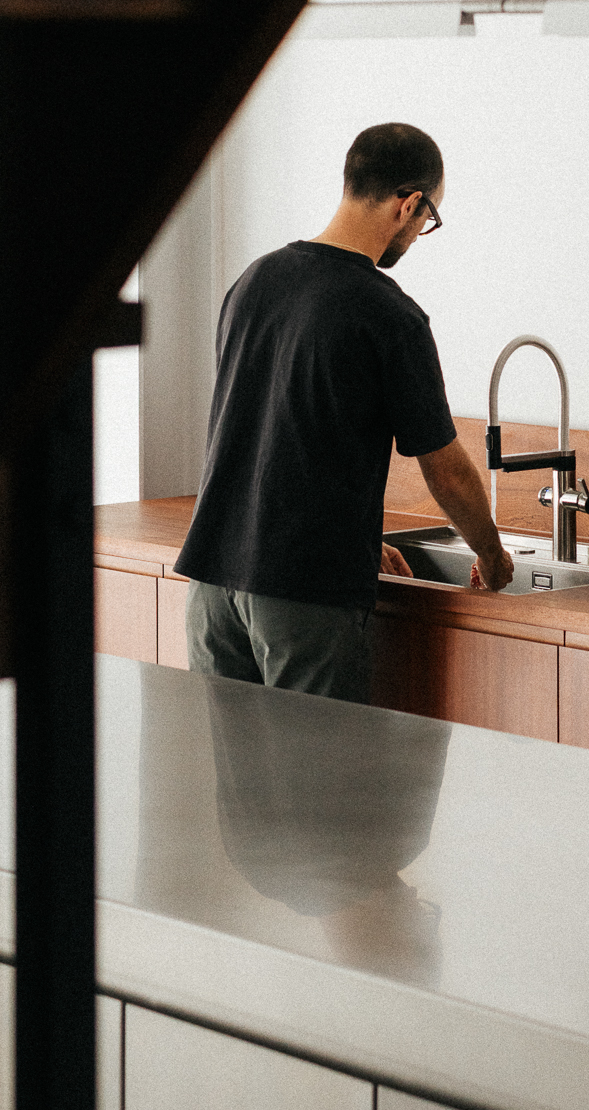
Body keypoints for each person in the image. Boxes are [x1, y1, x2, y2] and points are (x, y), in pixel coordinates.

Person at [175, 120, 514, 699]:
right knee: (316, 786)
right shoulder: (388, 316)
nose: (419, 234)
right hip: (302, 598)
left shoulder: (254, 281)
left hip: (212, 584)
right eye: (428, 221)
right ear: (410, 205)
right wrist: (491, 552)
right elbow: (445, 467)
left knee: (238, 789)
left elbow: (272, 429)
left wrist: (349, 537)